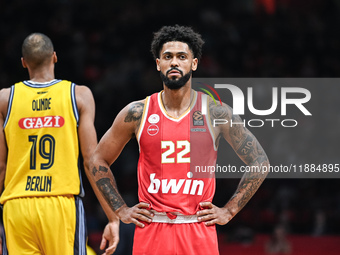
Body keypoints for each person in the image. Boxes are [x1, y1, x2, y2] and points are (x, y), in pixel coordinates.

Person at [89, 25, 270, 255]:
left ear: (193, 63)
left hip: (197, 228)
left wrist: (229, 211)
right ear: (158, 64)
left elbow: (260, 161)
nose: (174, 62)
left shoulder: (216, 112)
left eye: (182, 57)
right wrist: (120, 209)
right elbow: (97, 159)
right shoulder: (137, 112)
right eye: (168, 57)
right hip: (152, 228)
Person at [0, 33, 119, 255]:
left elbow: (1, 167)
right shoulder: (78, 95)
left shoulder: (5, 99)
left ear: (24, 62)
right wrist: (113, 217)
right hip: (61, 204)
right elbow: (91, 161)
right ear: (54, 57)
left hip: (16, 206)